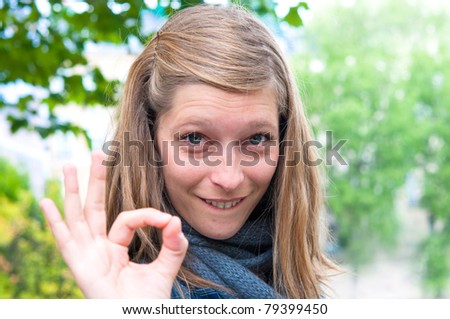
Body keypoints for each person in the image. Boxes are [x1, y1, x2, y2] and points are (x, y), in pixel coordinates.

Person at [40, 4, 337, 299]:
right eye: (195, 139)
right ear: (148, 139)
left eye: (257, 139)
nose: (229, 177)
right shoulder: (127, 287)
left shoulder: (299, 281)